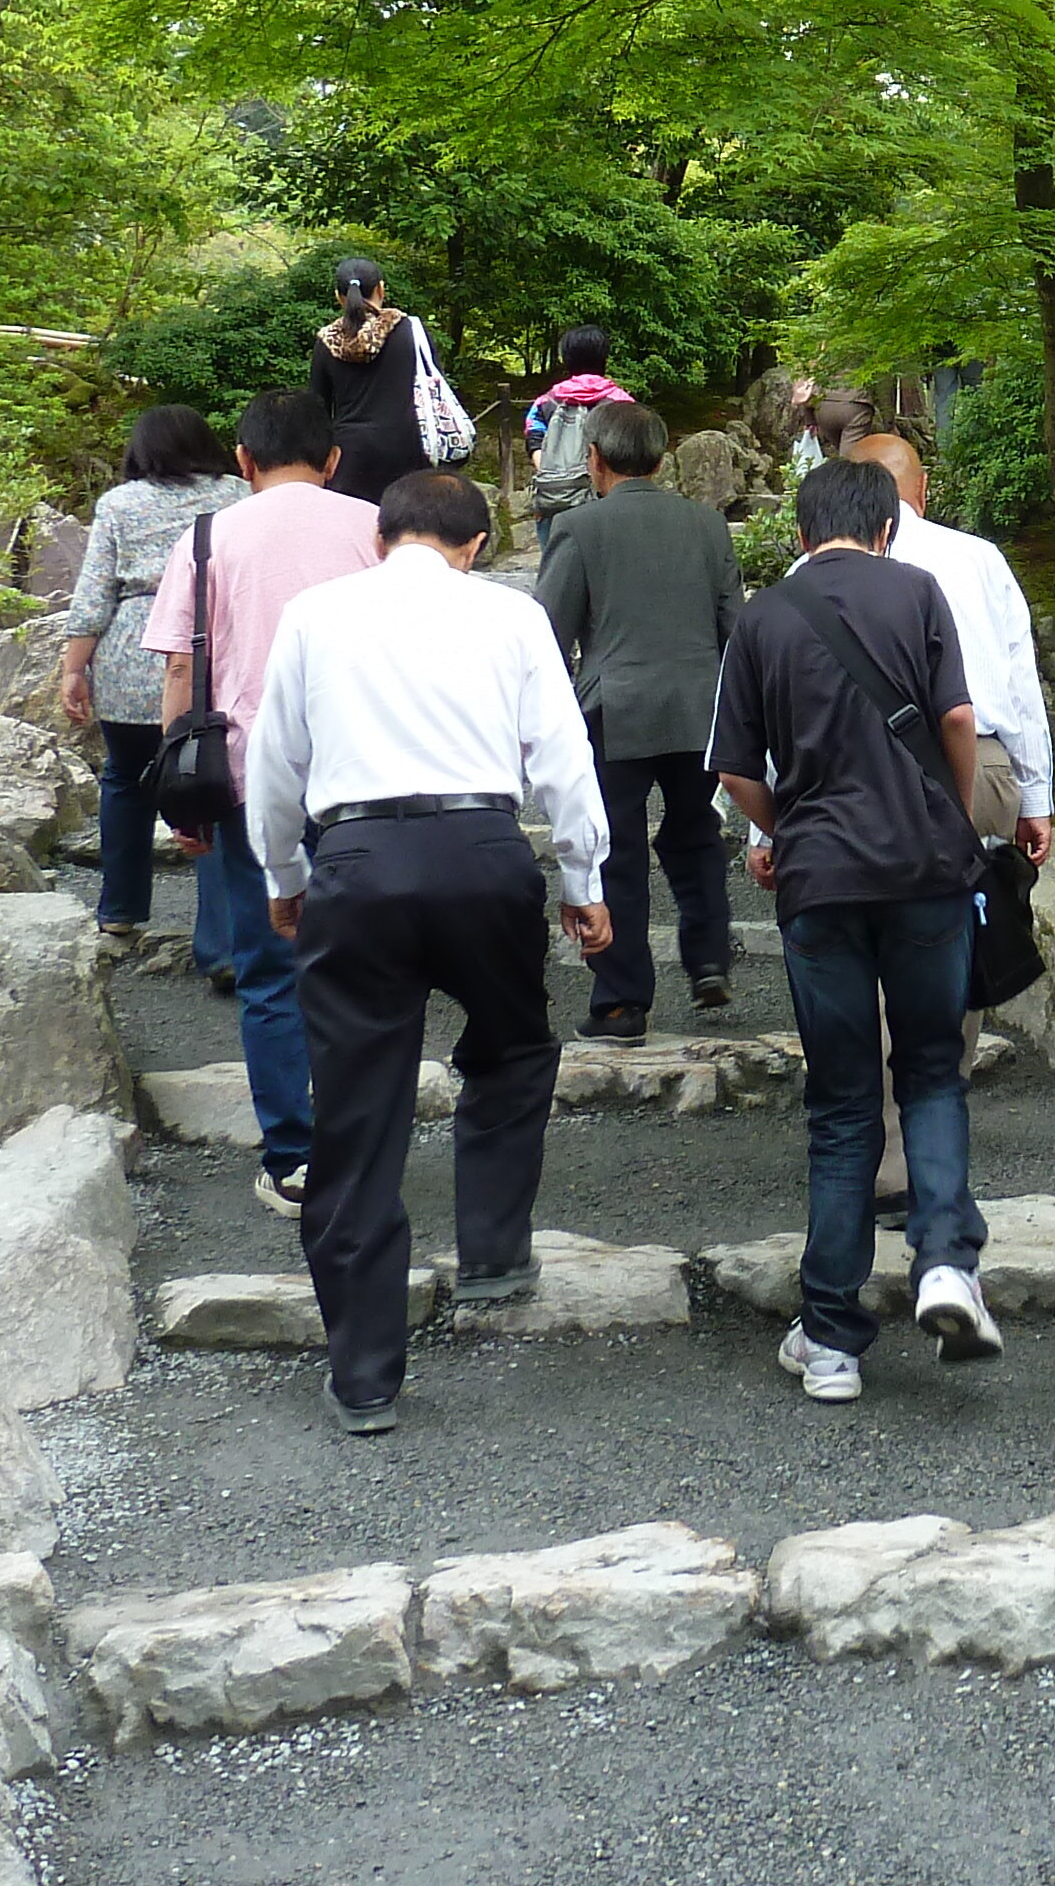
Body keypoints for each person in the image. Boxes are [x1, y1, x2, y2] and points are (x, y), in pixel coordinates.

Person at [248, 471, 611, 1435]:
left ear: (381, 539)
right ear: (477, 543)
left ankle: (365, 1374)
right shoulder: (513, 616)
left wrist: (283, 873)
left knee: (359, 1110)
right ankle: (492, 1250)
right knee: (515, 1043)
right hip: (484, 853)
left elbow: (275, 758)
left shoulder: (316, 614)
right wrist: (586, 882)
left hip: (357, 860)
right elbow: (563, 759)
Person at [707, 455, 996, 1403]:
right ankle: (946, 1261)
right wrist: (951, 812)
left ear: (799, 535)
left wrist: (787, 828)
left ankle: (831, 1336)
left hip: (821, 883)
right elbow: (956, 715)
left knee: (839, 1104)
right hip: (925, 871)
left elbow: (736, 769)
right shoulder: (918, 591)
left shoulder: (763, 616)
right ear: (887, 526)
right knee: (929, 1071)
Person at [142, 386, 378, 1218]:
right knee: (362, 971)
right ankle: (362, 1148)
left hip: (246, 779)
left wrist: (180, 800)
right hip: (363, 779)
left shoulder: (207, 536)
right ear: (333, 459)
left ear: (242, 460)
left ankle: (294, 1158)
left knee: (271, 976)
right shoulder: (374, 526)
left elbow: (177, 668)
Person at [845, 429, 1052, 1198]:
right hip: (981, 765)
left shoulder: (822, 565)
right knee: (955, 939)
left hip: (863, 778)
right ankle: (933, 1121)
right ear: (921, 489)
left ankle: (877, 1144)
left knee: (866, 941)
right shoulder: (979, 558)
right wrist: (1037, 798)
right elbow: (1019, 681)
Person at [536, 399, 743, 1034]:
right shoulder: (706, 526)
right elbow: (735, 625)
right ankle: (708, 959)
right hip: (699, 706)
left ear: (593, 459)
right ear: (661, 459)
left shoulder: (579, 528)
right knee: (695, 833)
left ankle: (623, 1000)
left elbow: (548, 628)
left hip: (614, 709)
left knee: (616, 848)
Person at [54, 405, 244, 952]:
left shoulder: (119, 504)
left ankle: (119, 911)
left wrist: (73, 669)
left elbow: (94, 596)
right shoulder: (235, 495)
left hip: (131, 656)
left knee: (124, 780)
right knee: (214, 788)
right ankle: (224, 943)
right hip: (209, 653)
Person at [308, 257, 437, 506]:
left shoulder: (325, 343)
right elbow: (434, 385)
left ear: (339, 296)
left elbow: (318, 410)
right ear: (381, 289)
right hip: (408, 451)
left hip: (349, 460)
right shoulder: (411, 331)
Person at [522, 325, 633, 554]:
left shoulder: (546, 401)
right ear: (604, 358)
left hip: (555, 502)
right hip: (607, 504)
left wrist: (558, 480)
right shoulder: (623, 404)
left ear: (566, 359)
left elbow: (533, 440)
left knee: (557, 570)